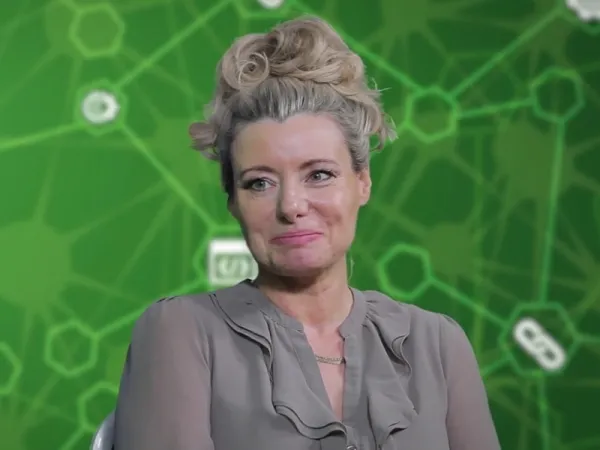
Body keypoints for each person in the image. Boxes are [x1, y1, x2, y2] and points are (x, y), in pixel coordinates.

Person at [113, 15, 501, 450]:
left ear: (362, 182)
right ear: (232, 200)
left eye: (319, 175)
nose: (291, 206)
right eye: (260, 182)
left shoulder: (438, 344)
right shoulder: (181, 332)